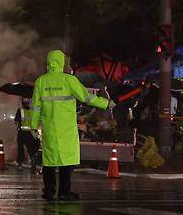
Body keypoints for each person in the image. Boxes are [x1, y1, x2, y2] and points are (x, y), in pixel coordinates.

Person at [29, 50, 114, 201]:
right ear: (62, 62)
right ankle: (64, 192)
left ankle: (49, 192)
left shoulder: (41, 82)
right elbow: (87, 98)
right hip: (66, 129)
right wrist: (106, 103)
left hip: (50, 128)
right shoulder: (69, 80)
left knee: (49, 161)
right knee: (66, 162)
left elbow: (35, 107)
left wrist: (33, 126)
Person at [14, 97, 40, 170]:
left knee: (21, 149)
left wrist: (18, 128)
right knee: (31, 148)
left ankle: (20, 164)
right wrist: (36, 134)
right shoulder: (32, 111)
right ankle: (33, 159)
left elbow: (16, 121)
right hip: (31, 132)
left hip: (22, 132)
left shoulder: (20, 110)